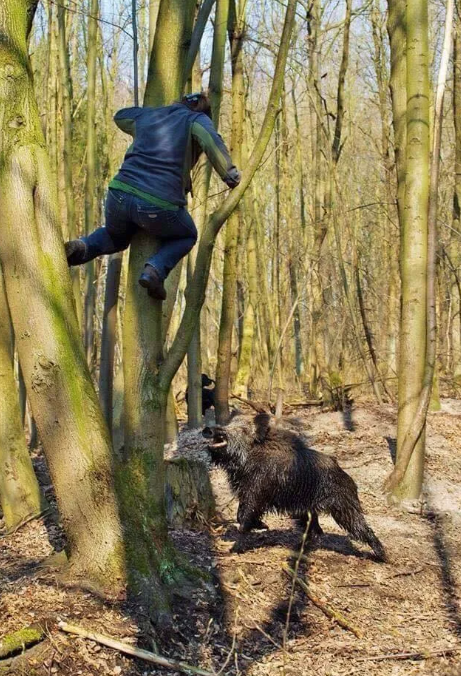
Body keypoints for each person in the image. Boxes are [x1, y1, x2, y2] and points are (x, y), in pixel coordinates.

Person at [65, 92, 241, 300]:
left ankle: (80, 248)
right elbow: (211, 141)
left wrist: (150, 113)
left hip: (119, 195)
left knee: (115, 237)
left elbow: (121, 116)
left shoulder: (150, 116)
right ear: (202, 111)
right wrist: (231, 177)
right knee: (187, 235)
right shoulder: (196, 120)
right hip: (157, 203)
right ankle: (154, 271)